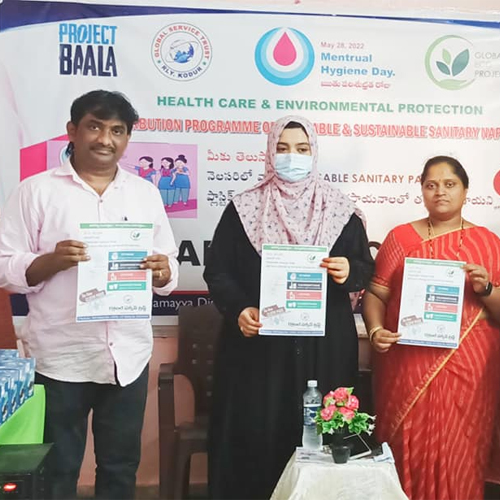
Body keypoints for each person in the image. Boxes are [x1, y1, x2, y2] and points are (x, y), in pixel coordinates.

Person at [0, 90, 179, 500]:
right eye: (94, 127)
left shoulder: (144, 193)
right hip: (61, 356)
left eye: (117, 130)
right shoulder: (36, 191)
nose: (105, 139)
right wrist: (51, 261)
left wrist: (163, 270)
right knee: (57, 471)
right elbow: (5, 266)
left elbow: (168, 265)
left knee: (120, 468)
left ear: (127, 138)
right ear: (72, 131)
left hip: (127, 355)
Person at [203, 115, 374, 500]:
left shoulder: (340, 210)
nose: (291, 156)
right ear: (269, 153)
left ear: (314, 152)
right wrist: (239, 309)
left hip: (325, 346)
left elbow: (365, 268)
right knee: (257, 431)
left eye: (301, 148)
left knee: (323, 436)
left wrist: (349, 271)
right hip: (258, 347)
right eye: (282, 148)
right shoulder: (244, 208)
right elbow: (219, 271)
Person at [362, 156, 500, 500]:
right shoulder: (400, 238)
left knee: (461, 452)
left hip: (469, 371)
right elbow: (376, 294)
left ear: (466, 191)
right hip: (407, 364)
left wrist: (485, 288)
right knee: (407, 447)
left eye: (450, 184)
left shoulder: (488, 243)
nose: (440, 192)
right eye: (431, 185)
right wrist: (376, 330)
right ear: (422, 190)